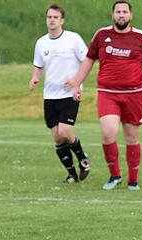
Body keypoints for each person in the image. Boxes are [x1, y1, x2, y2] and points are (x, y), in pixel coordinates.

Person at [69, 0, 142, 190]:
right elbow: (88, 60)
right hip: (107, 93)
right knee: (107, 132)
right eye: (118, 12)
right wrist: (77, 83)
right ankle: (115, 175)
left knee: (131, 137)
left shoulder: (140, 37)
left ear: (130, 15)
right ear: (113, 15)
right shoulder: (102, 35)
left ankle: (133, 180)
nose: (121, 15)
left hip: (134, 94)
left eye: (125, 12)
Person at [29, 4, 91, 184]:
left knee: (65, 131)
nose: (52, 20)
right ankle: (72, 174)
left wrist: (76, 82)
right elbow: (38, 65)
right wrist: (35, 78)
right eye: (49, 17)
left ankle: (83, 159)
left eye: (55, 17)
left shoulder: (73, 39)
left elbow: (86, 61)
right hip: (50, 95)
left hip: (69, 94)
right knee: (57, 136)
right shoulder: (41, 43)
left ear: (62, 20)